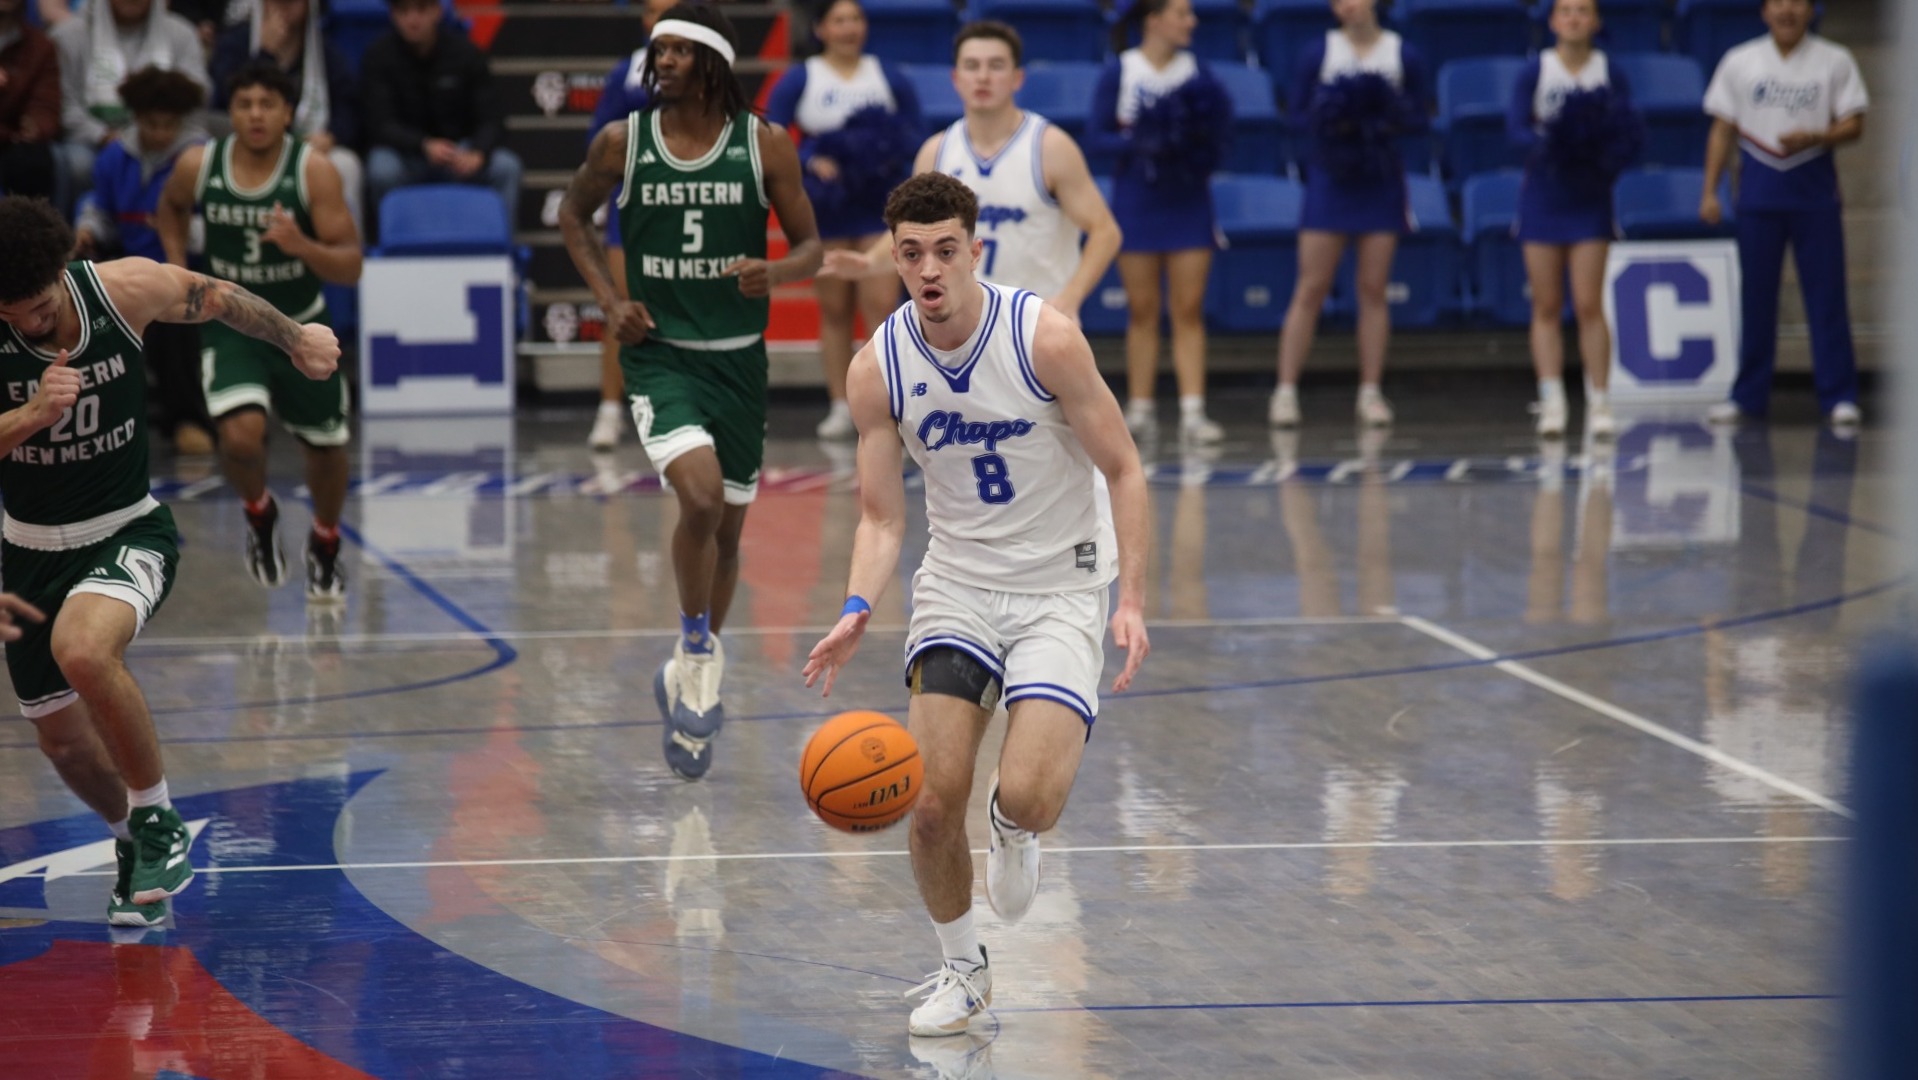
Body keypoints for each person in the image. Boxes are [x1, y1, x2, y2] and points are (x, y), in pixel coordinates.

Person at [803, 171, 1149, 1038]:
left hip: (1062, 585)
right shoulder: (876, 366)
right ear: (896, 259)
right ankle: (963, 970)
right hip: (957, 585)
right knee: (927, 801)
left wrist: (1131, 599)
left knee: (1026, 794)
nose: (928, 271)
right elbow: (883, 516)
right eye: (910, 255)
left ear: (974, 252)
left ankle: (1015, 826)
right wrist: (855, 605)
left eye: (945, 252)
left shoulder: (1044, 338)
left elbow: (1125, 469)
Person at [0, 194, 340, 927]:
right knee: (61, 743)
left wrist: (296, 339)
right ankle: (133, 840)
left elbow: (219, 298)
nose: (22, 324)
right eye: (8, 313)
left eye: (32, 307)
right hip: (25, 556)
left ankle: (158, 821)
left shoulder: (122, 290)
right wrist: (30, 414)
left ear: (63, 271)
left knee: (83, 650)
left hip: (126, 531)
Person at [558, 3, 822, 780]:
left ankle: (688, 667)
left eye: (677, 50)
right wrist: (610, 302)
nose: (661, 60)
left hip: (739, 361)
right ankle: (700, 646)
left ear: (712, 63)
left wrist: (774, 271)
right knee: (701, 501)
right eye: (657, 49)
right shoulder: (621, 141)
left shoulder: (763, 143)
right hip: (660, 355)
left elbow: (812, 244)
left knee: (730, 536)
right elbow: (573, 217)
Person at [155, 59, 361, 601]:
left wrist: (303, 247)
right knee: (240, 437)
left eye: (267, 104)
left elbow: (351, 264)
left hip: (302, 326)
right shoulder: (199, 163)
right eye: (244, 104)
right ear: (232, 112)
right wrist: (180, 268)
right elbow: (170, 208)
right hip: (232, 324)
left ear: (287, 112)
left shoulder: (313, 170)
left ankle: (326, 538)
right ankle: (260, 513)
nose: (255, 115)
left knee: (327, 447)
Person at [823, 21, 1122, 329]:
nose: (982, 76)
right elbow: (912, 231)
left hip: (1036, 325)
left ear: (1017, 78)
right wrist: (870, 262)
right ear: (956, 78)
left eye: (996, 66)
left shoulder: (1050, 147)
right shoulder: (935, 152)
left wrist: (1071, 297)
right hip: (962, 330)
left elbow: (1106, 232)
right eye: (972, 66)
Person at [1700, 0, 1867, 430]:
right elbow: (1722, 129)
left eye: (1797, 3)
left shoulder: (1835, 60)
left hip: (1815, 199)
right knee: (1756, 300)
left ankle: (1839, 395)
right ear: (1764, 11)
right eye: (1779, 3)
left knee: (1827, 299)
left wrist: (1819, 136)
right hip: (1757, 198)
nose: (1788, 11)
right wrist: (1710, 191)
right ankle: (1748, 396)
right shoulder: (1740, 61)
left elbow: (1854, 124)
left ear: (1811, 10)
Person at [1268, 0, 1428, 430]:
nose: (1347, 6)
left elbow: (1419, 115)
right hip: (1330, 180)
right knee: (1311, 287)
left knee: (1373, 289)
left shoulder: (1402, 53)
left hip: (1380, 181)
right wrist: (1337, 118)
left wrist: (1380, 120)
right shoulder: (1318, 52)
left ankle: (1371, 392)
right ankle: (1285, 391)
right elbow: (1295, 115)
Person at [765, 0, 921, 441]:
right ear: (820, 29)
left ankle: (889, 403)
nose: (850, 28)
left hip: (880, 206)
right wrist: (811, 158)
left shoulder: (887, 75)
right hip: (827, 211)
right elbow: (770, 136)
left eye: (856, 19)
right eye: (840, 20)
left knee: (881, 306)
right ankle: (840, 403)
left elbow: (916, 133)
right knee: (834, 310)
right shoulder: (802, 77)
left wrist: (884, 152)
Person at [1091, 0, 1230, 445]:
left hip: (1188, 200)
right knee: (1142, 309)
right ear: (1154, 20)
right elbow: (1095, 135)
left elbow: (1220, 134)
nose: (1192, 22)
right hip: (1137, 200)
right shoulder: (1121, 70)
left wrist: (1189, 144)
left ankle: (1193, 411)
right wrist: (1143, 141)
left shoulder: (1198, 71)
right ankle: (1141, 409)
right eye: (1182, 14)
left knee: (1188, 309)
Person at [1507, 0, 1639, 440]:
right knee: (1545, 305)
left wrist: (1598, 152)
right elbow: (1515, 128)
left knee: (1588, 304)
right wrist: (1555, 142)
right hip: (1544, 195)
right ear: (1552, 22)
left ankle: (1600, 400)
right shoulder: (1536, 70)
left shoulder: (1609, 71)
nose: (1575, 18)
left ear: (1597, 21)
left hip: (1590, 198)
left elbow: (1627, 129)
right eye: (1566, 11)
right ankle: (1551, 400)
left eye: (1583, 10)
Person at [74, 67, 217, 457]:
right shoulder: (114, 156)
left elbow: (217, 224)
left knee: (178, 330)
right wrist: (88, 231)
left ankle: (187, 418)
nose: (160, 133)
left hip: (185, 268)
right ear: (137, 119)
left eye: (169, 125)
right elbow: (102, 210)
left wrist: (182, 231)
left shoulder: (199, 157)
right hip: (125, 267)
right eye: (151, 124)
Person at [585, 0, 674, 452]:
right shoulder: (629, 70)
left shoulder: (712, 70)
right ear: (644, 19)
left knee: (684, 310)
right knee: (623, 310)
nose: (661, 16)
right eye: (655, 9)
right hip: (635, 207)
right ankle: (609, 411)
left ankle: (679, 409)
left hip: (690, 208)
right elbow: (599, 139)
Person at [359, 0, 521, 234]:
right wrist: (423, 145)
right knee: (382, 170)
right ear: (394, 16)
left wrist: (478, 151)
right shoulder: (377, 56)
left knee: (506, 168)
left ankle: (504, 255)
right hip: (406, 155)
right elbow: (378, 124)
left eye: (421, 10)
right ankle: (390, 250)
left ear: (437, 11)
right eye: (404, 11)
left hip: (460, 153)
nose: (413, 20)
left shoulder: (467, 54)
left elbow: (492, 118)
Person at [209, 0, 365, 232]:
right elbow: (227, 97)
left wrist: (331, 136)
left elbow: (348, 106)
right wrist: (266, 53)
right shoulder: (236, 43)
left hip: (310, 144)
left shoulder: (322, 49)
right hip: (247, 146)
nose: (283, 5)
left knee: (346, 164)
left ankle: (347, 246)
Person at [52, 0, 209, 201]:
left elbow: (196, 100)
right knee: (79, 164)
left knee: (198, 158)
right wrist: (104, 136)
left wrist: (159, 134)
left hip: (167, 138)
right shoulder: (69, 36)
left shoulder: (183, 34)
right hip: (93, 142)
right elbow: (65, 105)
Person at [0, 0, 60, 201]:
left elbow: (45, 104)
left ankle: (37, 231)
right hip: (9, 135)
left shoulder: (40, 46)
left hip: (14, 144)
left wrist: (35, 125)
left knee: (33, 162)